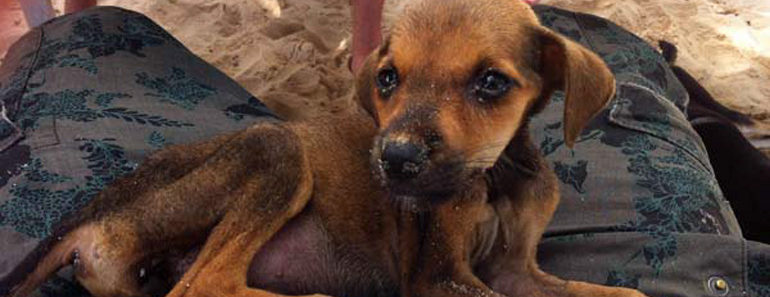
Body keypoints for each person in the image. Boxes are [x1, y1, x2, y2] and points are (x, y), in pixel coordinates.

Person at [0, 2, 768, 297]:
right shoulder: (437, 187)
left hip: (163, 243)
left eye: (487, 85)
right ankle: (213, 282)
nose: (399, 137)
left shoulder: (531, 190)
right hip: (140, 230)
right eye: (393, 83)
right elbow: (438, 283)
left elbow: (512, 275)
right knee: (274, 149)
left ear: (552, 87)